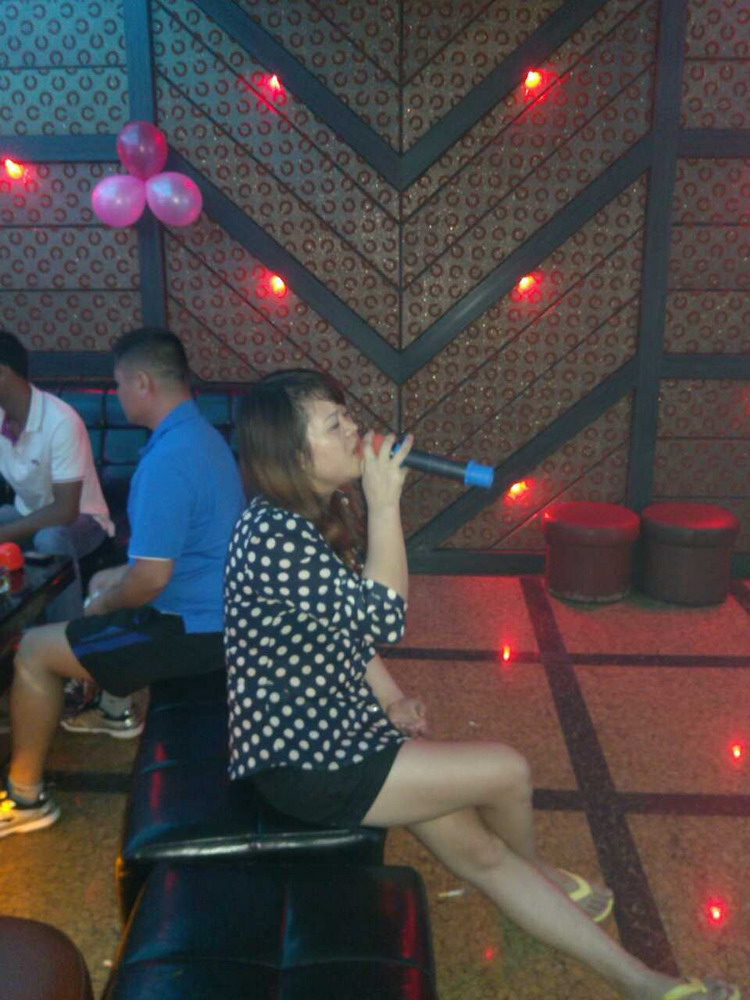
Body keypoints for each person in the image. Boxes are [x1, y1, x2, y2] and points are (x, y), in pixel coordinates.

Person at [223, 369, 740, 1000]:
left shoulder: (313, 511)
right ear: (293, 455)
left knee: (482, 854)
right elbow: (385, 618)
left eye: (347, 414)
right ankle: (539, 871)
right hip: (306, 762)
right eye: (335, 424)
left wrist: (391, 698)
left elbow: (343, 632)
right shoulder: (273, 535)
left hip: (340, 727)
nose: (356, 428)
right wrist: (385, 504)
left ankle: (642, 983)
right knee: (507, 771)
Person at [0, 327, 244, 837]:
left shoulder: (168, 460)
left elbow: (151, 580)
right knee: (105, 585)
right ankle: (113, 711)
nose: (118, 394)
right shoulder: (200, 437)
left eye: (119, 384)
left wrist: (103, 603)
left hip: (194, 629)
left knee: (34, 651)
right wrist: (111, 583)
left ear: (142, 383)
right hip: (211, 610)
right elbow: (159, 563)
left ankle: (25, 798)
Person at [0, 330, 113, 622]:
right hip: (28, 512)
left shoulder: (61, 421)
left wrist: (4, 534)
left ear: (3, 373)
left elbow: (65, 511)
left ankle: (68, 633)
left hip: (83, 520)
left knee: (51, 538)